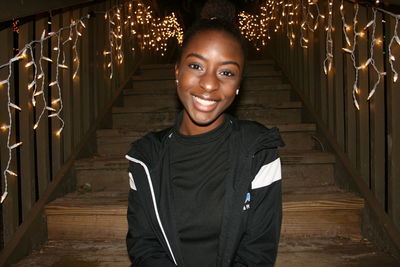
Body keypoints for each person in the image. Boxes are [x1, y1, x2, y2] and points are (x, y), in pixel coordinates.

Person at [125, 18, 284, 267]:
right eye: (196, 66)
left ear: (239, 84)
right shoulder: (146, 157)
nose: (209, 83)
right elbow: (144, 247)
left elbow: (258, 253)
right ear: (177, 71)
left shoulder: (258, 151)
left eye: (226, 72)